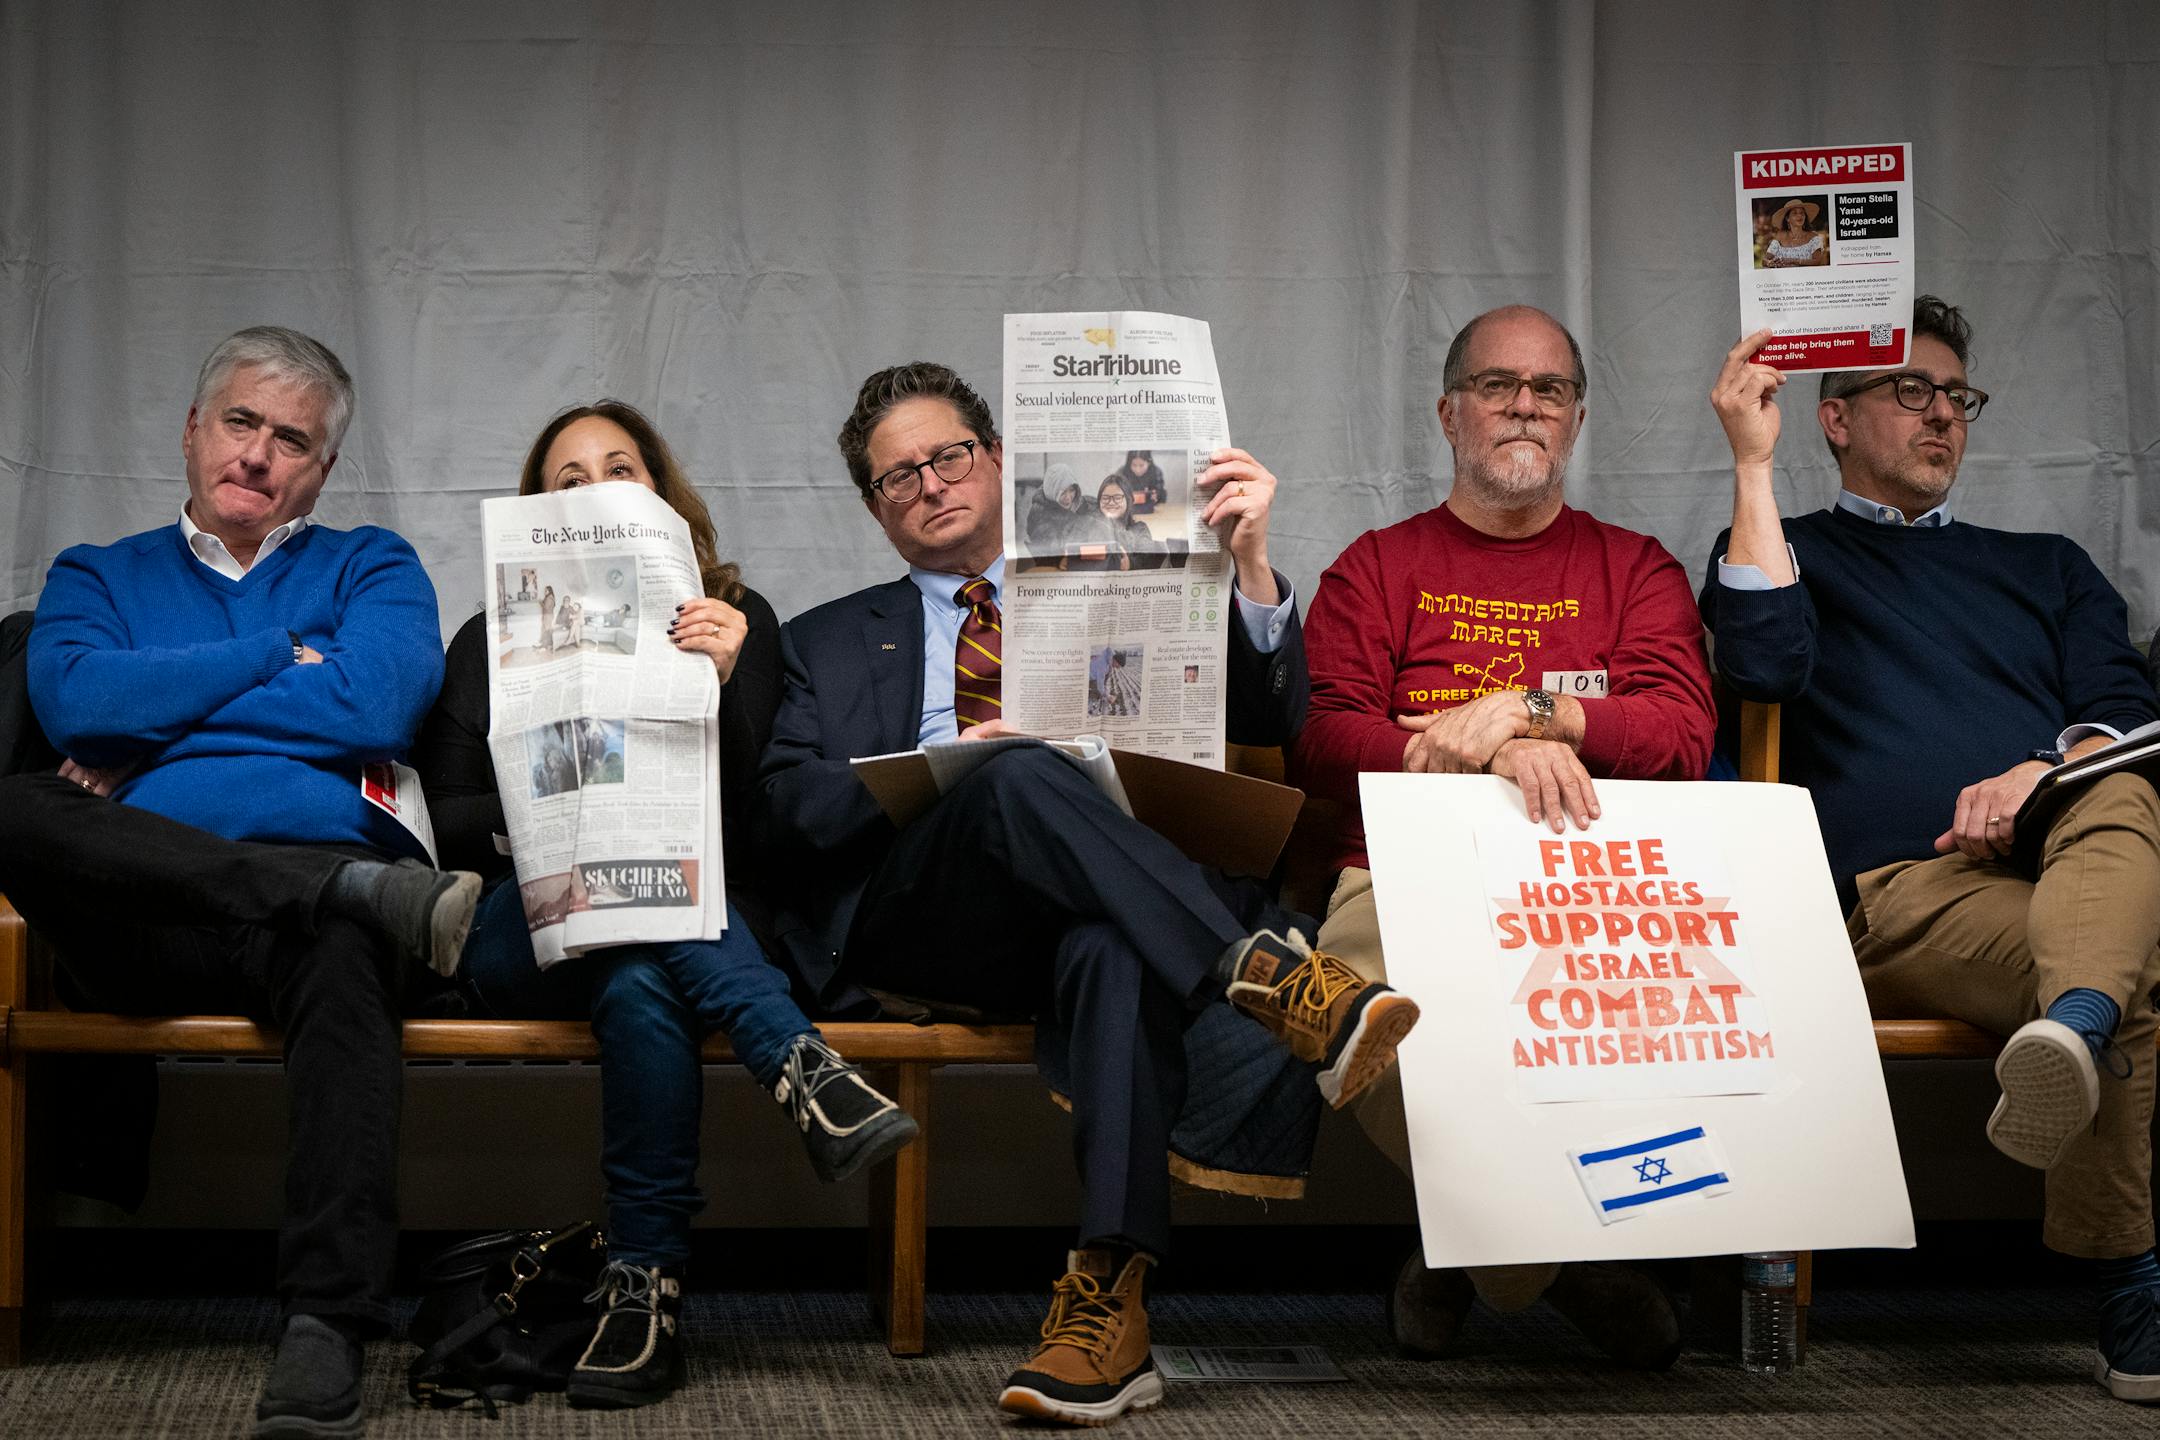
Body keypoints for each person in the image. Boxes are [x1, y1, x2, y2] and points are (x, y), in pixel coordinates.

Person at [758, 360, 1400, 1426]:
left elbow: (1272, 723)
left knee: (1114, 941)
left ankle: (1109, 1293)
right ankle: (1262, 972)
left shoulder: (1119, 581)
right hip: (924, 921)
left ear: (1000, 458)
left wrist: (1248, 563)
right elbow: (786, 814)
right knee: (1013, 771)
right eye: (898, 476)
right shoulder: (823, 639)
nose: (929, 483)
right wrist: (954, 764)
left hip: (1102, 902)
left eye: (948, 455)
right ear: (875, 508)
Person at [0, 326, 482, 1439]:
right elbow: (75, 704)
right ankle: (336, 893)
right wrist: (276, 654)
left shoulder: (372, 565)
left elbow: (374, 702)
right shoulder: (96, 573)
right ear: (192, 431)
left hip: (316, 907)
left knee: (345, 939)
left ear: (323, 467)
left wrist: (151, 711)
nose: (260, 454)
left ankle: (326, 1320)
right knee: (13, 803)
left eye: (292, 440)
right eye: (241, 422)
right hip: (143, 913)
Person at [413, 400, 919, 1410]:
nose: (597, 488)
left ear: (659, 491)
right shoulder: (489, 638)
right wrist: (570, 818)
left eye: (620, 468)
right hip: (526, 925)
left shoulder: (736, 617)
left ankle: (641, 1286)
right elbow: (448, 815)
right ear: (538, 510)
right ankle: (801, 1065)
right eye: (568, 479)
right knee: (637, 914)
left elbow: (759, 827)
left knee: (641, 974)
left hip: (677, 924)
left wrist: (722, 684)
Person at [1703, 296, 2160, 1403]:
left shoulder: (2047, 566)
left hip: (2064, 854)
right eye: (1912, 391)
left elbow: (2127, 713)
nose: (1943, 415)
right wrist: (1752, 466)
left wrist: (2043, 769)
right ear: (1835, 419)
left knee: (2120, 788)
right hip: (1904, 890)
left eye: (1957, 396)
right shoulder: (1790, 553)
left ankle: (2075, 1025)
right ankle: (2129, 1277)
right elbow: (1760, 666)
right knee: (2135, 971)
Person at [1291, 304, 1717, 1369]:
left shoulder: (1637, 569)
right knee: (1368, 1018)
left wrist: (1540, 715)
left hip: (1599, 878)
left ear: (1576, 418)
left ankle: (1466, 1254)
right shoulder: (1374, 567)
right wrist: (1478, 754)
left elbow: (1682, 736)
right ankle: (1541, 1265)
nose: (1525, 406)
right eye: (1497, 386)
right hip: (1400, 872)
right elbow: (1325, 739)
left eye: (1550, 390)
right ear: (1450, 414)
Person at [1095, 474, 1163, 566]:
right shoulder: (1092, 528)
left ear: (1129, 500)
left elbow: (1146, 559)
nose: (1111, 502)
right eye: (1105, 498)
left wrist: (1130, 564)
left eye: (1117, 498)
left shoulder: (1139, 529)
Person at [1761, 199, 1828, 268]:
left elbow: (1817, 262)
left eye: (1802, 213)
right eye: (1795, 213)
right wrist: (1769, 263)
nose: (1799, 215)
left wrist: (1793, 261)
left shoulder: (1813, 237)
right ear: (1787, 218)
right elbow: (1764, 260)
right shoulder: (1780, 236)